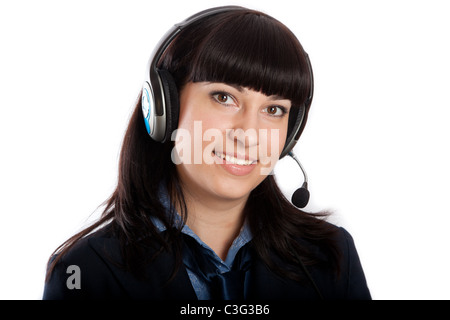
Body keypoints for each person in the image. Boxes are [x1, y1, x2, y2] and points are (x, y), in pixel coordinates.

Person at [43, 6, 371, 300]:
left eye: (273, 109)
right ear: (164, 108)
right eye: (224, 98)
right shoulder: (83, 272)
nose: (249, 134)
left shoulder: (331, 257)